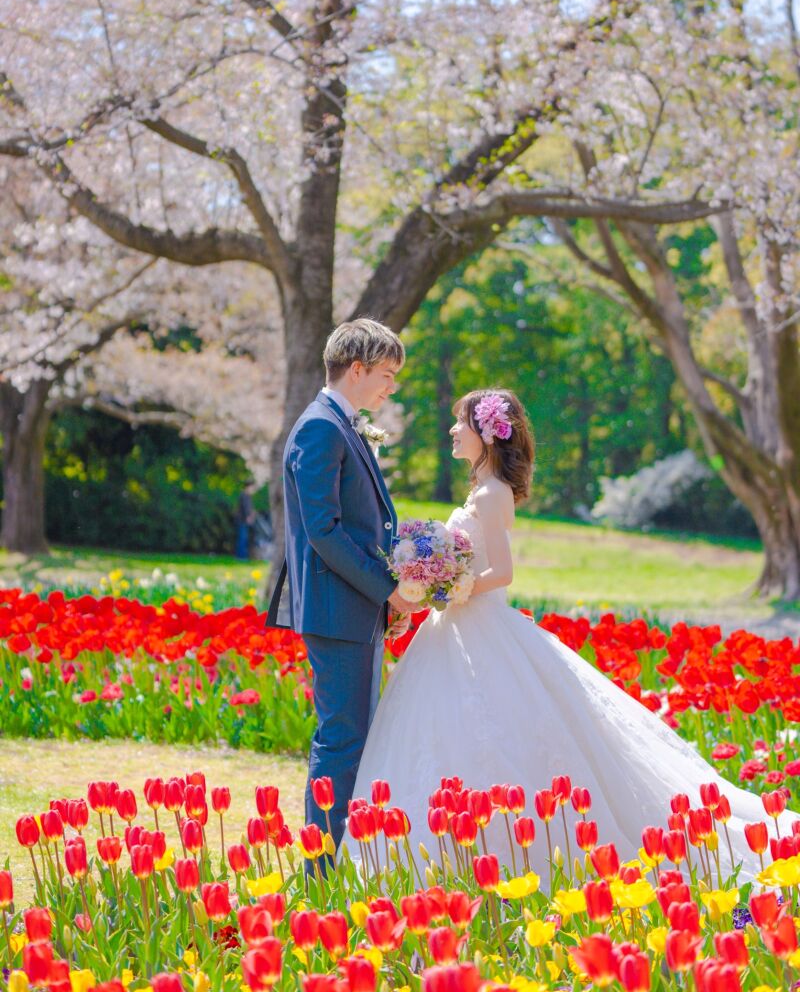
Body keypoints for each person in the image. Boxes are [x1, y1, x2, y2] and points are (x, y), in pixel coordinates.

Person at [350, 387, 795, 882]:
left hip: (478, 621)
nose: (453, 431)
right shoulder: (479, 488)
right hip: (451, 627)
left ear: (487, 434)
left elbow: (503, 571)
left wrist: (451, 584)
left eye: (461, 423)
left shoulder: (494, 493)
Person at [266, 319, 415, 853]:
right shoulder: (321, 428)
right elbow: (322, 531)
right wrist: (387, 588)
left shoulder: (342, 423)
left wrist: (389, 592)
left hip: (353, 609)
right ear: (357, 369)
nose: (390, 386)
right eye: (386, 374)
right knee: (342, 741)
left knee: (352, 738)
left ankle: (342, 858)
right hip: (337, 611)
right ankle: (322, 869)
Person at [235, 479, 256, 559]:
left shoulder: (247, 496)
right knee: (242, 538)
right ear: (248, 487)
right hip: (242, 520)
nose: (253, 489)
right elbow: (246, 508)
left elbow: (249, 508)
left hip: (243, 521)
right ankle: (241, 557)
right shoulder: (244, 495)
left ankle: (242, 556)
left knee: (243, 538)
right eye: (252, 487)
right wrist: (249, 517)